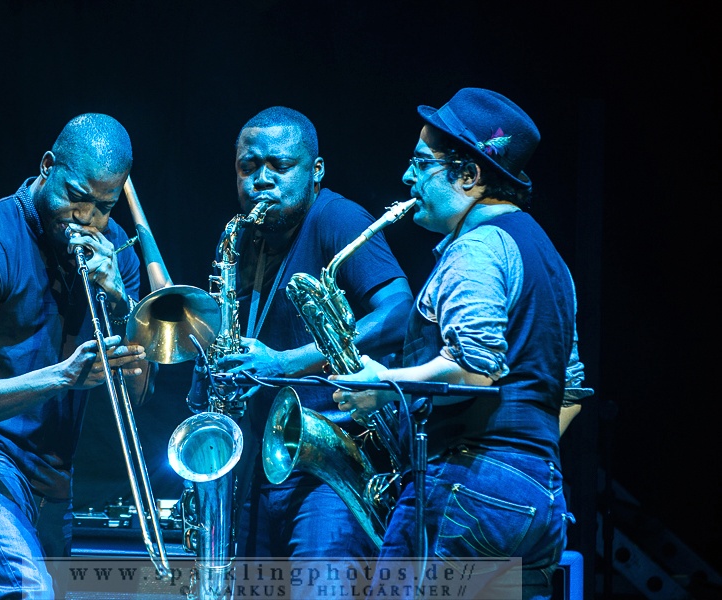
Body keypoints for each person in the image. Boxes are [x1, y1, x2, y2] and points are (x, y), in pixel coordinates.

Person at [332, 88, 586, 600]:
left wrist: (386, 383)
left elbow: (476, 369)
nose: (407, 178)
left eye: (421, 163)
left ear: (469, 176)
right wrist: (519, 466)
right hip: (541, 497)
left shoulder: (477, 248)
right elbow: (572, 391)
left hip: (467, 486)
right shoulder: (551, 259)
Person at [0, 113, 155, 599]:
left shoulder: (118, 254)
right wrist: (64, 376)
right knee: (30, 591)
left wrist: (120, 301)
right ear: (47, 166)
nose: (86, 218)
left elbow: (138, 391)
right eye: (75, 196)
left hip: (52, 468)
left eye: (104, 206)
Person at [206, 106, 414, 569]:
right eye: (248, 167)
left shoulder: (336, 217)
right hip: (262, 466)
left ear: (316, 171)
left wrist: (285, 363)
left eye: (279, 166)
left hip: (332, 464)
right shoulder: (245, 240)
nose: (261, 179)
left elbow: (400, 312)